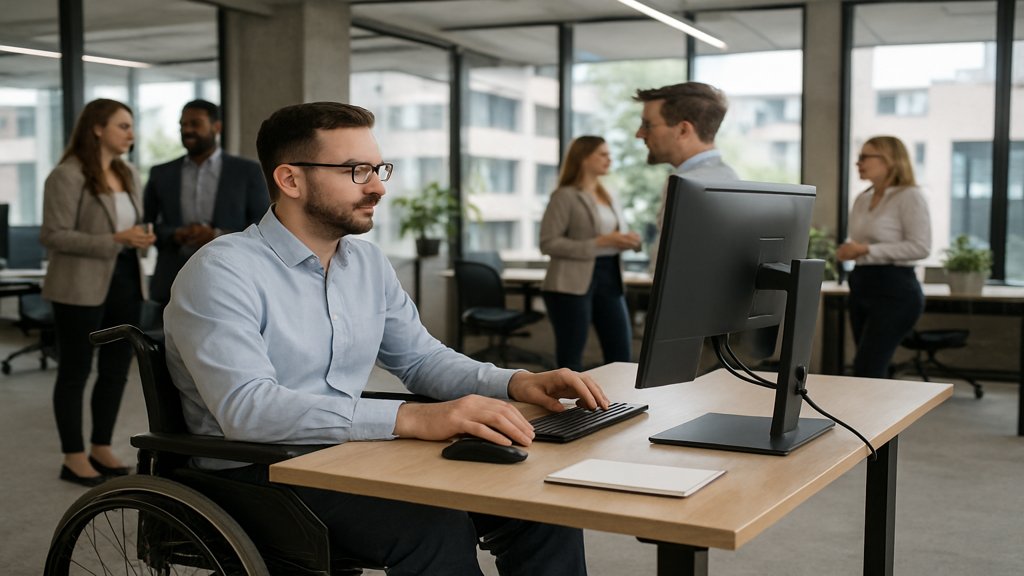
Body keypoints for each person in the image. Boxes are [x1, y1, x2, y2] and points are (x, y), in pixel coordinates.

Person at [163, 101, 605, 575]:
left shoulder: (367, 263)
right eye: (356, 170)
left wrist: (517, 382)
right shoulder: (222, 271)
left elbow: (420, 360)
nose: (377, 186)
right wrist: (413, 417)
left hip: (350, 452)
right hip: (255, 471)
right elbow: (249, 409)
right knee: (434, 526)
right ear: (290, 180)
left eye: (378, 169)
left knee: (541, 502)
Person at [40, 98, 157, 487]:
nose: (131, 134)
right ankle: (73, 456)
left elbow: (131, 227)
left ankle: (101, 446)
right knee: (75, 371)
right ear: (97, 128)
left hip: (126, 279)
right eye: (123, 126)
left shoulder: (128, 173)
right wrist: (115, 239)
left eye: (131, 126)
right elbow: (53, 236)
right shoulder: (66, 175)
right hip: (78, 285)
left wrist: (139, 240)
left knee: (116, 370)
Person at [144, 99, 269, 308]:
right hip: (171, 281)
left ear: (216, 127)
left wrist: (216, 235)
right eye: (183, 125)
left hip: (231, 279)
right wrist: (175, 234)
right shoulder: (161, 173)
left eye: (195, 124)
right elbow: (147, 224)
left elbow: (263, 224)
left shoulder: (246, 172)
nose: (187, 130)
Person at [539, 136, 640, 372]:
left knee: (621, 354)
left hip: (610, 276)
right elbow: (547, 243)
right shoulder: (564, 196)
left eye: (609, 154)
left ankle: (618, 396)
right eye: (602, 154)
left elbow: (614, 235)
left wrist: (628, 240)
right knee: (571, 358)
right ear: (584, 158)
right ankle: (566, 397)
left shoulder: (610, 195)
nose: (609, 159)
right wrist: (599, 242)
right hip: (569, 283)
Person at [837, 136, 931, 378]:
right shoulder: (862, 199)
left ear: (890, 160)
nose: (858, 163)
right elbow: (860, 242)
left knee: (867, 367)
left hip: (895, 290)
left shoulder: (909, 196)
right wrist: (850, 250)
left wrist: (866, 250)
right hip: (861, 284)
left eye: (865, 157)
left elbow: (921, 247)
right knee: (868, 367)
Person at [633, 81, 738, 266]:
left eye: (647, 125)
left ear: (683, 130)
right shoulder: (727, 177)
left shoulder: (690, 186)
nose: (639, 134)